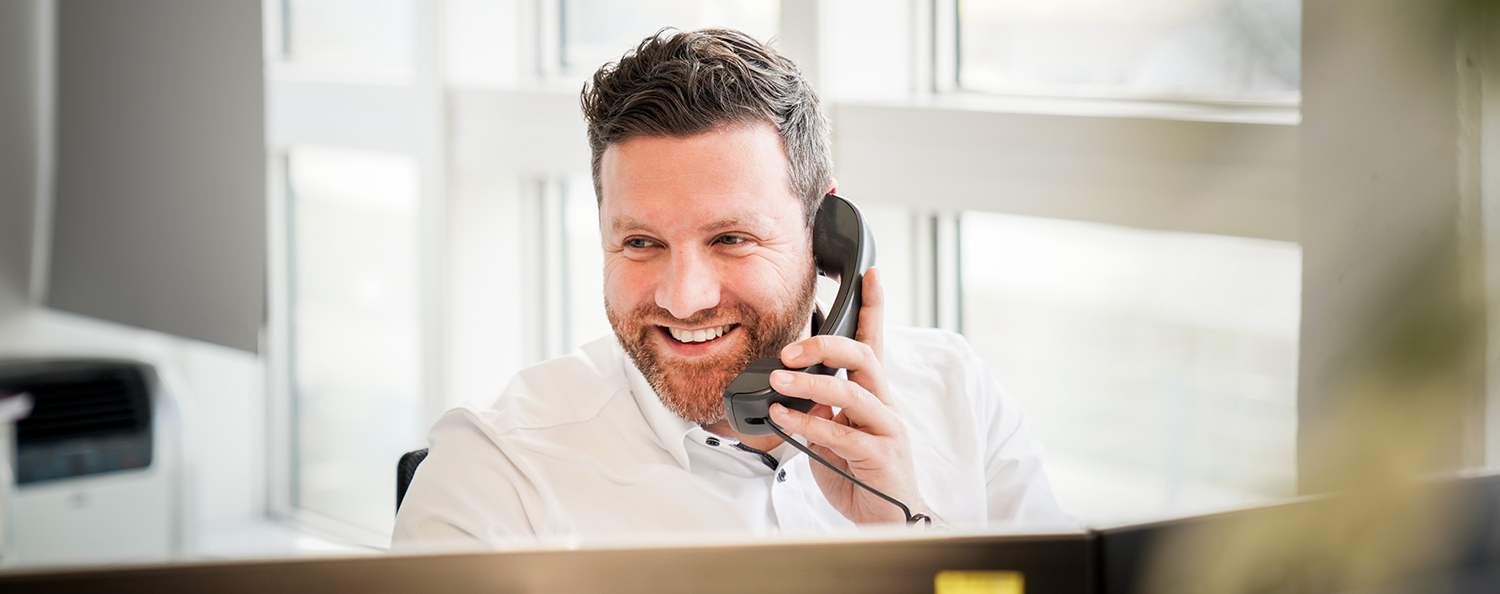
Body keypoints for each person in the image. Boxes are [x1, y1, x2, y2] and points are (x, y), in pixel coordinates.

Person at [393, 28, 1067, 546]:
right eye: (640, 243)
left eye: (731, 239)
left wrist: (907, 537)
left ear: (827, 237)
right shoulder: (495, 472)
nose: (683, 299)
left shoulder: (955, 396)